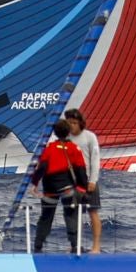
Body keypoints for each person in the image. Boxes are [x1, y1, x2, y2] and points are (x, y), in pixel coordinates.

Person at [30, 120, 88, 253]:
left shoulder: (49, 148)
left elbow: (42, 168)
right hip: (68, 189)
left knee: (46, 217)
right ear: (68, 132)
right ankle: (75, 246)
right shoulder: (74, 149)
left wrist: (34, 184)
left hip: (50, 189)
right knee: (71, 216)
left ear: (55, 132)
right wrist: (83, 189)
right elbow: (80, 170)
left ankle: (38, 247)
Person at [64, 108, 104, 254]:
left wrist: (93, 180)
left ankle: (96, 247)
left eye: (74, 123)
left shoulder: (90, 137)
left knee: (93, 212)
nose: (72, 126)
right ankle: (76, 245)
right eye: (69, 123)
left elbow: (95, 159)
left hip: (88, 181)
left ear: (80, 123)